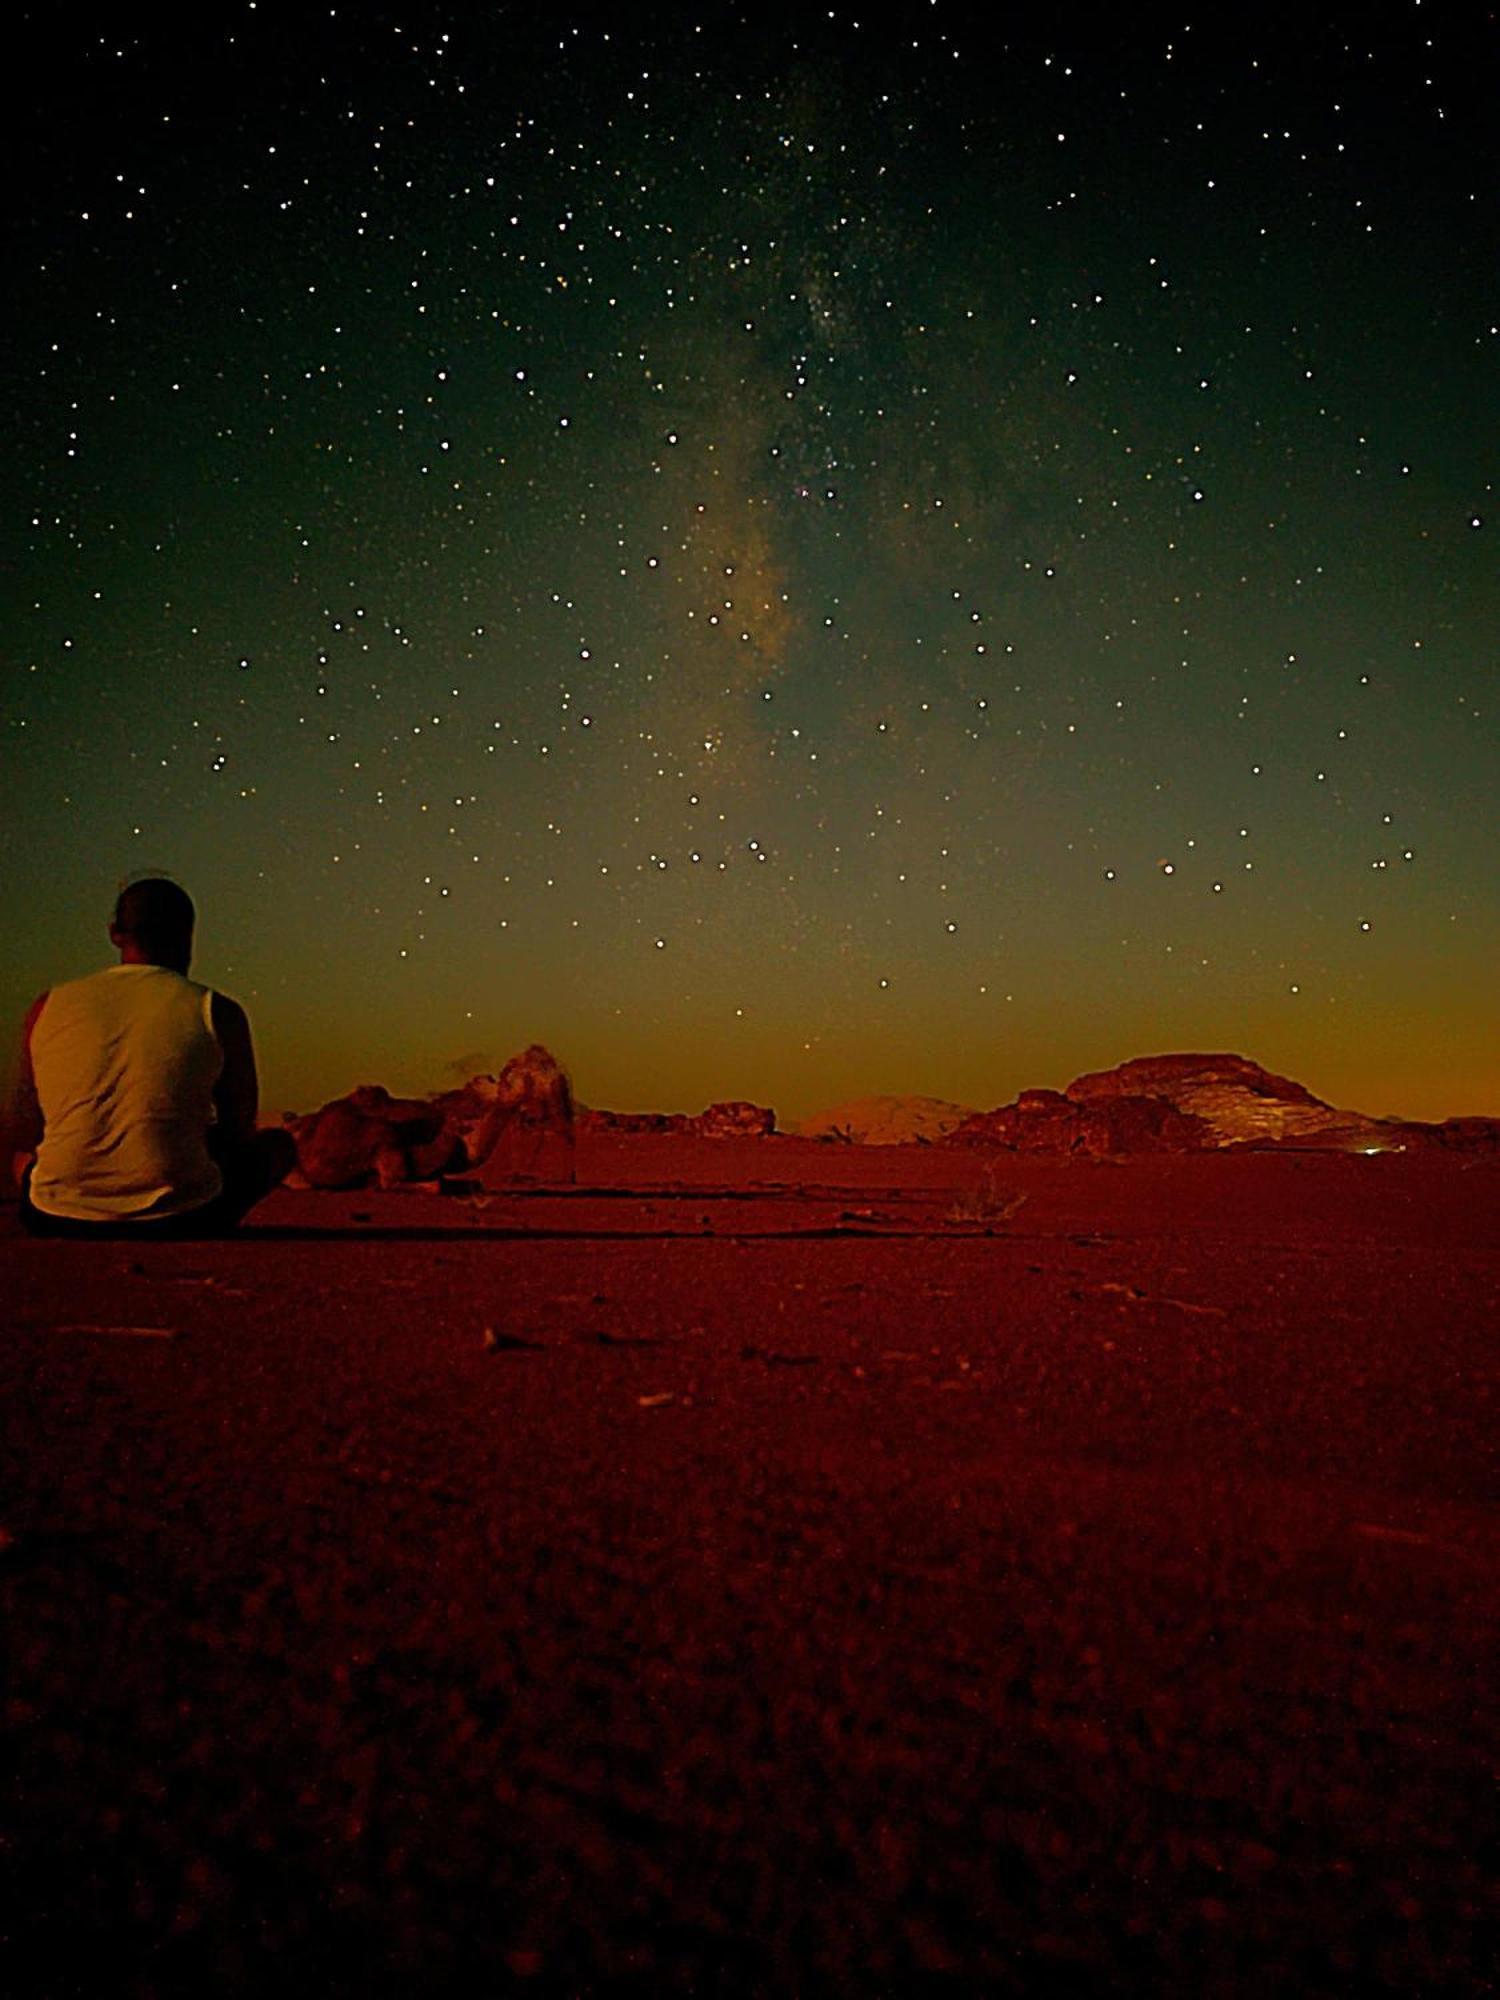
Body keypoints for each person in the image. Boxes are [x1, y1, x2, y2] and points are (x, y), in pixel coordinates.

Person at [9, 878, 293, 1237]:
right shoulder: (216, 1010)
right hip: (182, 1217)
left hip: (52, 1214)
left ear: (116, 933)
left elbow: (25, 1127)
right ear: (188, 935)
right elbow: (238, 1128)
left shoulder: (46, 1006)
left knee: (23, 1161)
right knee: (277, 1147)